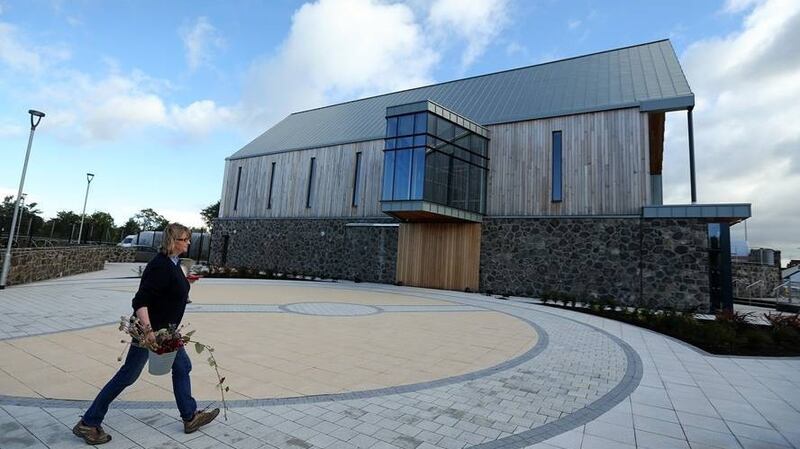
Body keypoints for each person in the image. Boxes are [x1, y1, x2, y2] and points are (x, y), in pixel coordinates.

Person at [73, 223, 218, 445]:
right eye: (185, 239)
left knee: (182, 366)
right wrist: (149, 331)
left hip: (166, 331)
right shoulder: (160, 265)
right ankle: (88, 422)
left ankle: (190, 417)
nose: (189, 242)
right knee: (128, 375)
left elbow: (168, 291)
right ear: (173, 241)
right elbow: (141, 301)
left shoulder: (173, 263)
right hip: (151, 332)